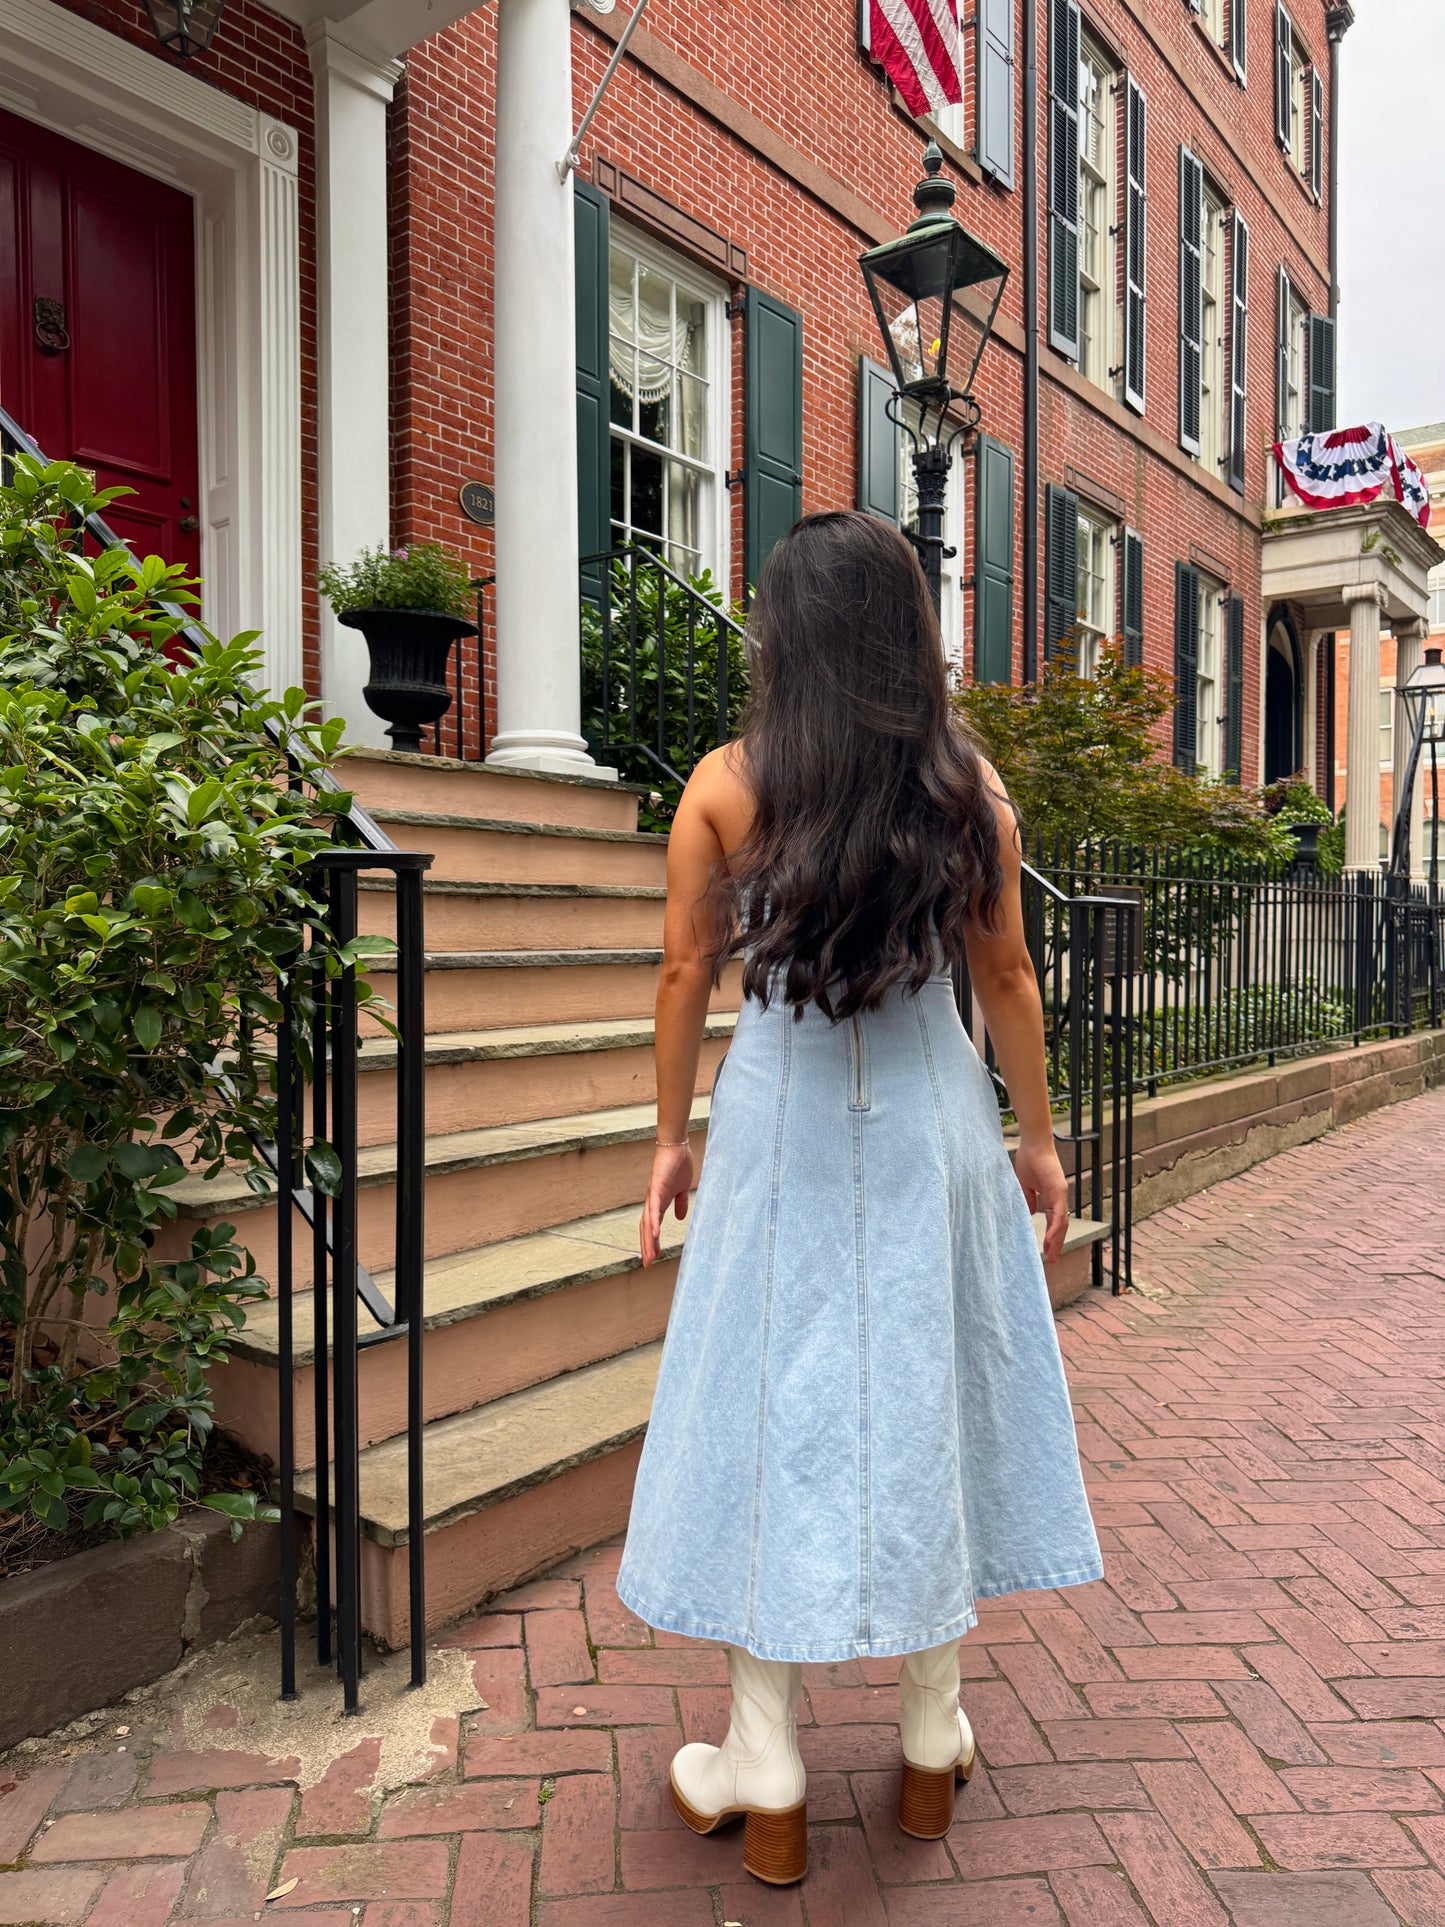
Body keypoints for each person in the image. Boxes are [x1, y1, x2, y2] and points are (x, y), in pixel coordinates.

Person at [614, 510, 1101, 1887]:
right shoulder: (967, 789)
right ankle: (930, 1732)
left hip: (775, 1120)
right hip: (932, 1118)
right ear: (905, 632)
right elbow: (1003, 980)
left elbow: (679, 979)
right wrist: (1040, 1142)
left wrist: (666, 1139)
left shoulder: (722, 785)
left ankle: (760, 1753)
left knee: (769, 1395)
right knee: (929, 1384)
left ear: (786, 638)